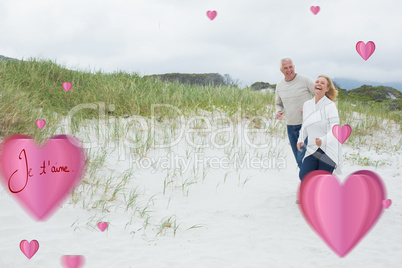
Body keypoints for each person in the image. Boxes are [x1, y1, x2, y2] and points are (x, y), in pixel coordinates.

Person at [297, 75, 343, 181]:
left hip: (328, 149)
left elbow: (335, 129)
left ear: (327, 89)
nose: (319, 84)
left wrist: (323, 140)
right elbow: (305, 125)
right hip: (312, 147)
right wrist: (300, 139)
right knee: (304, 176)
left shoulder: (330, 106)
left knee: (322, 178)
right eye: (317, 82)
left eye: (322, 83)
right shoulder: (307, 104)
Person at [275, 58, 315, 169]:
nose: (289, 70)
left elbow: (320, 95)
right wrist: (278, 112)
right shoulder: (279, 85)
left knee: (303, 158)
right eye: (285, 68)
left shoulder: (305, 80)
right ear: (281, 70)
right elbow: (278, 103)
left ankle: (310, 183)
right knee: (299, 160)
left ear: (294, 67)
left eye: (290, 66)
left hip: (306, 126)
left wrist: (312, 107)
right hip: (290, 127)